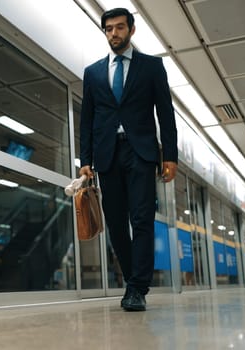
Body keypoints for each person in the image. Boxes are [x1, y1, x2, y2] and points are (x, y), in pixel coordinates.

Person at [79, 8, 178, 311]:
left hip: (141, 151)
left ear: (131, 30)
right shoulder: (93, 72)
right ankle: (132, 280)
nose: (114, 34)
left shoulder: (151, 67)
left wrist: (170, 156)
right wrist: (85, 159)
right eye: (108, 29)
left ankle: (137, 288)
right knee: (117, 223)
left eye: (119, 28)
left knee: (142, 219)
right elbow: (87, 119)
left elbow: (165, 113)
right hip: (108, 154)